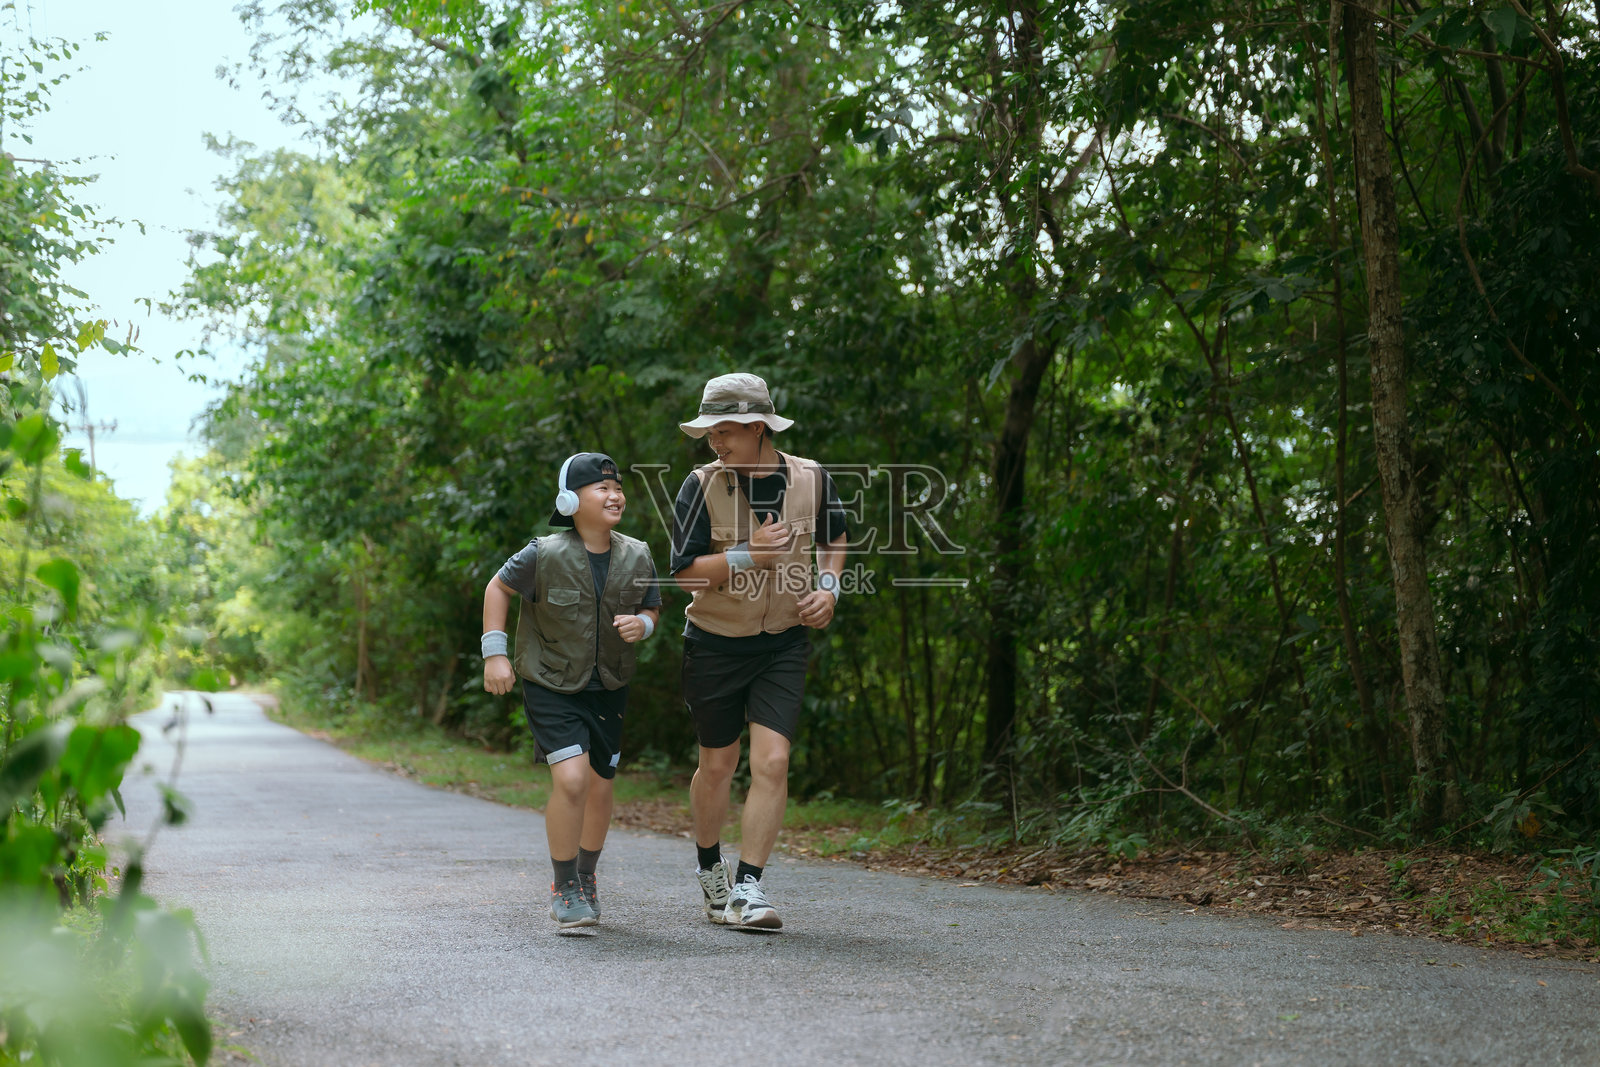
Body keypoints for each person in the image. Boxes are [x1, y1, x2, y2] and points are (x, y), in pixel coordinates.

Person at [670, 373, 849, 930]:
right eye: (709, 433)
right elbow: (682, 578)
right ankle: (711, 871)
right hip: (716, 643)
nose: (713, 443)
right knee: (718, 765)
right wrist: (747, 556)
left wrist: (829, 588)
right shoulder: (700, 485)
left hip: (783, 642)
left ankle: (749, 886)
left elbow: (835, 537)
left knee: (773, 761)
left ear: (756, 427)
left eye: (723, 431)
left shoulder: (811, 478)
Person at [481, 453, 661, 929]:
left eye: (618, 487)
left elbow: (652, 607)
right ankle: (563, 885)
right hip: (552, 683)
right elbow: (497, 589)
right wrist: (494, 653)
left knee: (601, 788)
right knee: (573, 780)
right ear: (569, 499)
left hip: (609, 685)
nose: (614, 495)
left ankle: (586, 876)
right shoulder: (542, 552)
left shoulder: (638, 553)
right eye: (601, 488)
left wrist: (642, 624)